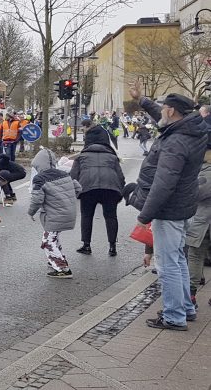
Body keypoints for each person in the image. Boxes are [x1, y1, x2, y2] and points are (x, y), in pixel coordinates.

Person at [125, 81, 205, 331]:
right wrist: (142, 100)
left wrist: (145, 215)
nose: (160, 111)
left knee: (168, 264)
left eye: (163, 108)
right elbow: (160, 116)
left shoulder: (176, 142)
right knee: (178, 260)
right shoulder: (189, 129)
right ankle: (186, 308)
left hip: (168, 210)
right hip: (182, 206)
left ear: (171, 111)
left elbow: (164, 183)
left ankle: (174, 316)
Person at [70, 125, 126, 257]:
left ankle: (86, 245)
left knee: (87, 216)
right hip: (110, 189)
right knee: (111, 216)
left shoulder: (81, 156)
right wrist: (120, 192)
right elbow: (121, 177)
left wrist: (76, 192)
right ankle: (112, 247)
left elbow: (73, 177)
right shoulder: (112, 157)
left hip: (88, 189)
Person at [28, 148, 81, 278]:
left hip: (54, 214)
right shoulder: (64, 174)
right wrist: (67, 201)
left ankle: (62, 268)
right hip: (68, 212)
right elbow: (78, 188)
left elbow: (37, 199)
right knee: (53, 238)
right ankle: (56, 261)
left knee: (47, 241)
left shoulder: (40, 179)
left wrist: (31, 212)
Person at [186, 147, 211, 309]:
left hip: (204, 222)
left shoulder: (207, 172)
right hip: (203, 222)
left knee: (195, 256)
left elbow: (197, 193)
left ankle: (190, 295)